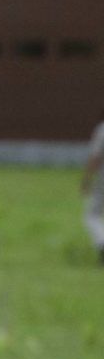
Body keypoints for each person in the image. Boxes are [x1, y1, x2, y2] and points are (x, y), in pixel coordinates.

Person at [84, 110, 104, 264]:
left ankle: (101, 242)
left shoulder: (102, 130)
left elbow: (96, 157)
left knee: (92, 215)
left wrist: (87, 179)